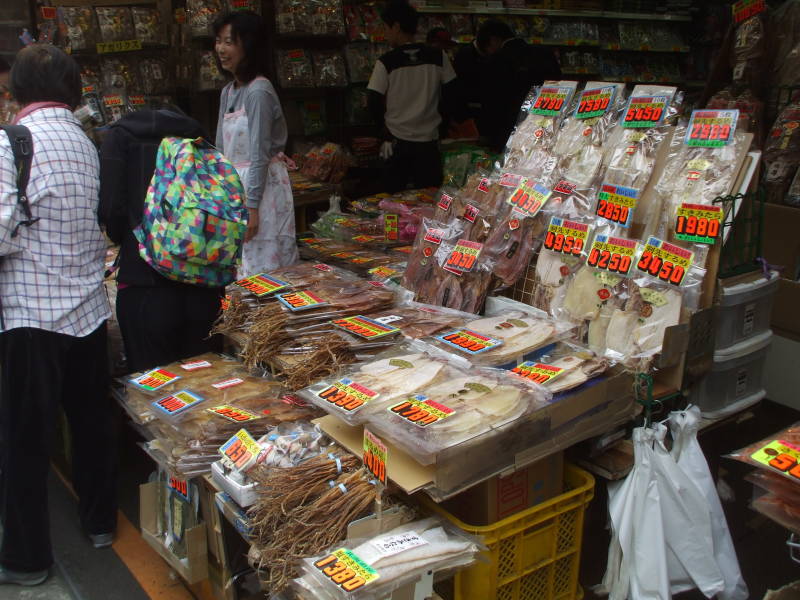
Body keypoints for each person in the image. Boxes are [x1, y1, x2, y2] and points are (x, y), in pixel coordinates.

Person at [0, 44, 115, 586]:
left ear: (16, 89)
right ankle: (99, 523)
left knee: (25, 442)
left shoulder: (12, 142)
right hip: (89, 311)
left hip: (31, 316)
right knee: (91, 426)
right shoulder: (86, 143)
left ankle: (27, 559)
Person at [99, 107, 225, 372]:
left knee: (154, 390)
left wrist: (129, 239)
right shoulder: (198, 138)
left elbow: (111, 208)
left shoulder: (120, 138)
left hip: (145, 285)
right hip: (205, 283)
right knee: (205, 383)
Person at [214, 11, 298, 276]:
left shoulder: (259, 91)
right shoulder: (229, 91)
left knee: (266, 266)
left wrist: (252, 209)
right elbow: (219, 149)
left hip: (261, 191)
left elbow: (259, 155)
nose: (221, 49)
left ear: (248, 46)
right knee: (240, 264)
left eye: (229, 42)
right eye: (218, 41)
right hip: (236, 187)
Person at [367, 0, 457, 192]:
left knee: (393, 203)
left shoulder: (386, 62)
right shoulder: (439, 57)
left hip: (397, 144)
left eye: (386, 27)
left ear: (396, 27)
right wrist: (443, 126)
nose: (385, 33)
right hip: (429, 144)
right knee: (428, 201)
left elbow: (373, 100)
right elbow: (452, 94)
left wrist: (383, 133)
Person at [476, 19, 562, 151]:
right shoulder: (545, 53)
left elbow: (492, 104)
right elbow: (560, 86)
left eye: (487, 48)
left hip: (508, 134)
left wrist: (487, 135)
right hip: (547, 127)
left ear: (493, 40)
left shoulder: (496, 61)